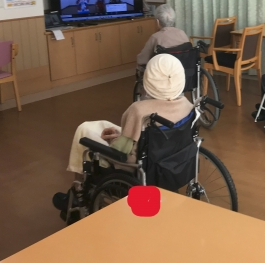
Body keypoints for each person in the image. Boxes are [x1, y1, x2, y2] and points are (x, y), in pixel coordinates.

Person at [52, 54, 194, 215]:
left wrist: (114, 139)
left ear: (149, 79)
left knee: (83, 131)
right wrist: (121, 133)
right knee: (102, 125)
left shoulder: (139, 110)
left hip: (133, 165)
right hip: (167, 158)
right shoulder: (187, 105)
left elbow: (122, 150)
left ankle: (77, 190)